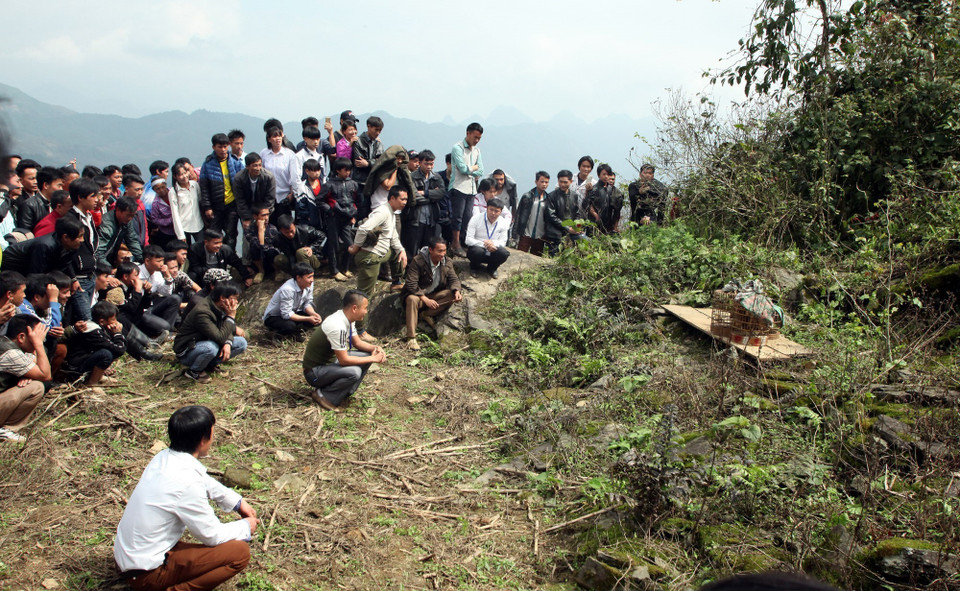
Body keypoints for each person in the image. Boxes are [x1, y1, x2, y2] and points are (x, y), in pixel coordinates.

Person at [114, 405, 257, 590]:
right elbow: (211, 535)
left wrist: (237, 502)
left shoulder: (163, 458)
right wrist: (246, 526)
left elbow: (205, 482)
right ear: (204, 439)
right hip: (144, 573)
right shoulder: (186, 483)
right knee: (239, 553)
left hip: (130, 558)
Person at [302, 289, 385, 411]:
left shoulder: (346, 318)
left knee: (367, 355)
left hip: (329, 364)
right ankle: (324, 396)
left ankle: (345, 392)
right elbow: (344, 360)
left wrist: (376, 349)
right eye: (365, 308)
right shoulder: (338, 326)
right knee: (354, 372)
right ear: (354, 308)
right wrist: (373, 358)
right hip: (314, 373)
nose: (366, 312)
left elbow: (357, 342)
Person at [173, 282, 248, 383]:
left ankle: (208, 365)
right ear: (223, 298)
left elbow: (225, 328)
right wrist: (231, 317)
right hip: (188, 351)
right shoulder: (202, 311)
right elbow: (219, 337)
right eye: (234, 298)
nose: (236, 302)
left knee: (241, 343)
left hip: (206, 341)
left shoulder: (220, 306)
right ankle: (194, 371)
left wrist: (228, 342)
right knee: (211, 348)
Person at [349, 186, 409, 306]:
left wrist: (402, 250)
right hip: (370, 256)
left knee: (397, 252)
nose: (404, 202)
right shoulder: (383, 211)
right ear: (392, 198)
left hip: (381, 253)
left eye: (406, 199)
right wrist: (355, 247)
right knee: (364, 297)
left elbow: (393, 236)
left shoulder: (391, 212)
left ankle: (396, 281)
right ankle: (358, 325)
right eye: (402, 199)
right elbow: (363, 229)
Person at [400, 237, 462, 351]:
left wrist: (457, 290)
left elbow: (454, 279)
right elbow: (411, 283)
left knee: (451, 294)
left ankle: (426, 314)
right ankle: (411, 337)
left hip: (434, 294)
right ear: (430, 250)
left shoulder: (447, 261)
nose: (442, 254)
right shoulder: (418, 261)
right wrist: (424, 299)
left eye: (444, 251)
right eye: (439, 251)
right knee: (411, 300)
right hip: (418, 296)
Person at [0, 315, 50, 442]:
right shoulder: (11, 353)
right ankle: (6, 430)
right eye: (35, 337)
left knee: (34, 382)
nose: (41, 340)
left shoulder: (9, 345)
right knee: (36, 387)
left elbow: (37, 366)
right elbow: (45, 375)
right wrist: (38, 345)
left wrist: (26, 374)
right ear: (21, 337)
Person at [61, 301, 125, 386]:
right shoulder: (93, 332)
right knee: (106, 354)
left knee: (109, 349)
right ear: (102, 321)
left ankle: (99, 376)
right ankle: (92, 383)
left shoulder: (98, 328)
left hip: (83, 359)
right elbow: (119, 350)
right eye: (113, 319)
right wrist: (117, 334)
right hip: (75, 367)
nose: (116, 322)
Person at [63, 179, 102, 321]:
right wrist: (72, 277)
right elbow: (65, 253)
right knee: (86, 320)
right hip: (78, 278)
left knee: (83, 317)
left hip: (90, 274)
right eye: (93, 196)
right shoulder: (71, 220)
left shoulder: (88, 217)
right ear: (80, 197)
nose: (97, 200)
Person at [199, 133, 244, 248]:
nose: (223, 150)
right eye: (220, 147)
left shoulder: (235, 162)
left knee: (231, 234)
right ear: (214, 147)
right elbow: (204, 188)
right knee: (214, 234)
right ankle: (215, 258)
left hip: (232, 205)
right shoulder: (208, 164)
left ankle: (229, 258)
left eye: (225, 146)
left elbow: (242, 184)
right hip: (215, 206)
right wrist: (207, 207)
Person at [318, 158, 359, 281]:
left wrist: (354, 216)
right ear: (337, 170)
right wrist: (330, 211)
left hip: (347, 218)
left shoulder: (353, 184)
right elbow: (319, 201)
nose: (348, 173)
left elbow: (357, 201)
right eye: (345, 170)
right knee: (333, 245)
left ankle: (345, 268)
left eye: (349, 170)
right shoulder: (329, 184)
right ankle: (334, 271)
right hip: (333, 218)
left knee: (350, 245)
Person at [449, 122, 484, 257]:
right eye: (475, 137)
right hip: (458, 187)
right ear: (468, 133)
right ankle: (455, 244)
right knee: (457, 217)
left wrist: (471, 169)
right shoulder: (457, 148)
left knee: (467, 217)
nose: (476, 140)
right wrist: (472, 168)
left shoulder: (477, 151)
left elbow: (481, 170)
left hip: (471, 189)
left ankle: (464, 242)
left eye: (479, 138)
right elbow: (462, 169)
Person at [404, 150, 447, 256]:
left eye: (431, 164)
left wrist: (425, 193)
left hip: (431, 220)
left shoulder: (436, 177)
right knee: (412, 250)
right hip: (416, 219)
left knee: (427, 251)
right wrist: (432, 198)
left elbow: (441, 193)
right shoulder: (412, 177)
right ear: (420, 162)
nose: (429, 167)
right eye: (426, 163)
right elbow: (413, 197)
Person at [262, 263, 322, 336]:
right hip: (276, 316)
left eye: (312, 276)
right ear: (299, 278)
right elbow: (286, 314)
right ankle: (275, 334)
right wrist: (308, 318)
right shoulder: (287, 289)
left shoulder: (309, 284)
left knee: (315, 319)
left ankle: (296, 331)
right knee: (289, 326)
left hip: (294, 311)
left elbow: (307, 303)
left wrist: (313, 314)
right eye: (309, 277)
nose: (312, 280)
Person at [186, 229, 252, 287]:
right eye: (216, 243)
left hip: (220, 277)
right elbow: (195, 267)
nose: (219, 245)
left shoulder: (225, 249)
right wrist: (211, 272)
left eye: (221, 242)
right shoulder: (195, 249)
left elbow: (237, 263)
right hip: (203, 276)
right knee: (192, 275)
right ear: (206, 242)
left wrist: (247, 277)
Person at [260, 127, 299, 224]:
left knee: (285, 225)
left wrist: (292, 193)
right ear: (269, 139)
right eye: (274, 136)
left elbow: (294, 176)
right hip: (268, 197)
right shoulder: (264, 154)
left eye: (279, 136)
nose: (278, 139)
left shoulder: (289, 154)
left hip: (284, 196)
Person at [465, 198, 510, 278]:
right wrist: (484, 244)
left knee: (503, 253)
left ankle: (492, 268)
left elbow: (503, 241)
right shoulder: (476, 218)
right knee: (477, 251)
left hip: (493, 250)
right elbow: (468, 240)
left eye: (496, 211)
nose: (493, 213)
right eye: (491, 210)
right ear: (486, 208)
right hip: (478, 249)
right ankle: (474, 267)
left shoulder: (503, 222)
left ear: (501, 212)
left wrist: (493, 244)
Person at [233, 153, 277, 231]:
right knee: (248, 232)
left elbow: (270, 198)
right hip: (247, 209)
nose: (258, 168)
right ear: (247, 167)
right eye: (255, 165)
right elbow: (240, 200)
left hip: (264, 209)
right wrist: (247, 218)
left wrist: (263, 215)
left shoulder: (268, 177)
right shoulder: (239, 178)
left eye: (260, 165)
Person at [544, 170, 582, 255]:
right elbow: (551, 216)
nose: (562, 184)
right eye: (560, 182)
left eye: (565, 182)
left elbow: (577, 213)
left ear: (571, 182)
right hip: (555, 234)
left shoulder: (574, 195)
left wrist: (578, 227)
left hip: (570, 234)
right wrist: (568, 228)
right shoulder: (551, 196)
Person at [512, 171, 550, 256]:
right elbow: (518, 215)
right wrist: (515, 234)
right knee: (520, 257)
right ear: (536, 182)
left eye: (546, 182)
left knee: (536, 261)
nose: (544, 184)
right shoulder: (527, 196)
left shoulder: (548, 199)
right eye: (542, 181)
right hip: (526, 233)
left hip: (540, 236)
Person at [97, 196, 144, 264]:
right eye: (128, 215)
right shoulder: (107, 224)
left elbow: (132, 240)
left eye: (133, 216)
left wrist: (142, 260)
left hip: (110, 258)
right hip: (99, 261)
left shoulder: (126, 221)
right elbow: (99, 252)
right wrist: (109, 269)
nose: (130, 218)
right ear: (118, 210)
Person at [16, 166, 62, 233]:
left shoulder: (57, 204)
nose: (61, 189)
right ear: (46, 185)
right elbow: (25, 232)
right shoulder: (29, 205)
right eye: (59, 185)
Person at [242, 206, 281, 283]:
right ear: (255, 216)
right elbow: (258, 245)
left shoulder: (273, 229)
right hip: (259, 259)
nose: (266, 218)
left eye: (267, 215)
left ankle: (277, 271)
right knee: (254, 248)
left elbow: (270, 247)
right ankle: (261, 271)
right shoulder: (249, 229)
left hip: (270, 259)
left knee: (271, 251)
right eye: (263, 215)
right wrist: (260, 230)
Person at [170, 161, 204, 245]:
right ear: (175, 176)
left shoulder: (195, 185)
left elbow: (200, 202)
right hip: (184, 227)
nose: (184, 176)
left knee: (201, 250)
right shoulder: (173, 192)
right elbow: (175, 214)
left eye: (185, 173)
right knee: (186, 252)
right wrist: (180, 234)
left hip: (198, 224)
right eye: (180, 174)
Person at [587, 164, 625, 234]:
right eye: (604, 174)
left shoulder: (611, 189)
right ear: (599, 175)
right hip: (595, 223)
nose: (606, 176)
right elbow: (589, 206)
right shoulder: (594, 189)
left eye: (608, 174)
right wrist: (596, 216)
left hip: (608, 224)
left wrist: (615, 225)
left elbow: (615, 208)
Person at [351, 116, 385, 190]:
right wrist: (374, 162)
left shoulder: (378, 144)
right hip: (359, 182)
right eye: (376, 130)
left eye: (380, 131)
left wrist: (368, 163)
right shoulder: (358, 142)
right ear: (369, 126)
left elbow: (382, 162)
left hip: (374, 183)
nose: (378, 133)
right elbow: (359, 162)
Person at [148, 178, 177, 249]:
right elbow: (154, 219)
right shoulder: (155, 203)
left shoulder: (175, 192)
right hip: (168, 232)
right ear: (154, 190)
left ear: (166, 185)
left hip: (183, 228)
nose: (161, 190)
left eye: (162, 187)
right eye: (158, 189)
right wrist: (169, 221)